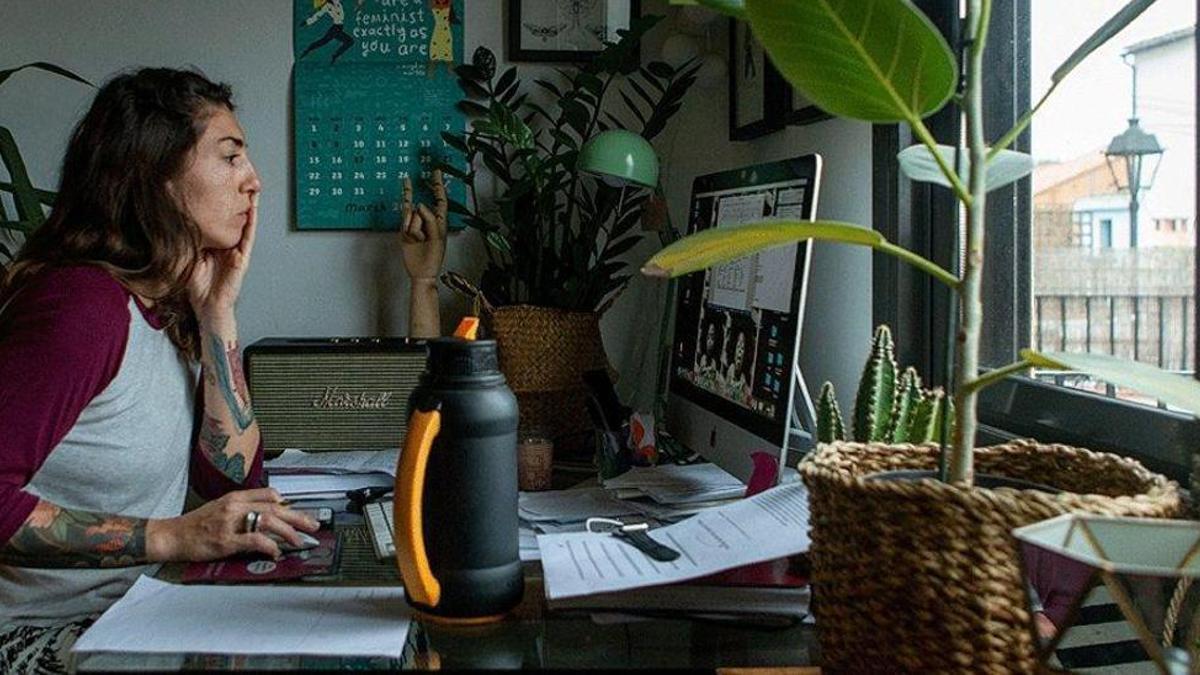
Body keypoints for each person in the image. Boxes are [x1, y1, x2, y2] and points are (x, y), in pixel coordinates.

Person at [0, 67, 445, 673]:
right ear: (156, 176)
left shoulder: (166, 305)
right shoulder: (82, 307)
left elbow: (232, 484)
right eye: (230, 157)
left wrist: (218, 315)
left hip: (136, 612)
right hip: (34, 635)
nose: (254, 182)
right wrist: (174, 536)